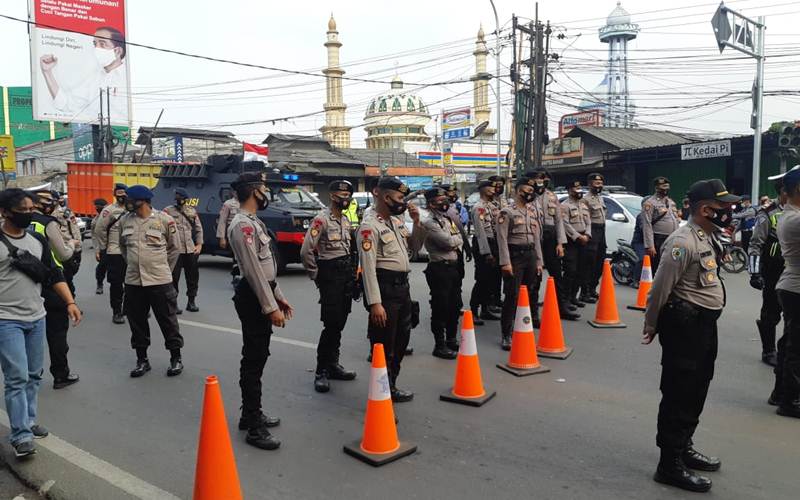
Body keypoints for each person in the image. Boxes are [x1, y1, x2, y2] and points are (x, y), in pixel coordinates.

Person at [642, 179, 740, 493]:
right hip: (684, 326)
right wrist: (651, 324)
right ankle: (668, 463)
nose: (729, 212)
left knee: (698, 388)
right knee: (679, 392)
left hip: (703, 326)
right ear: (705, 209)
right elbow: (660, 288)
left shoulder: (710, 236)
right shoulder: (682, 242)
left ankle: (683, 446)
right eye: (724, 207)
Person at [0, 188, 81, 458]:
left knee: (34, 374)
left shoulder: (36, 239)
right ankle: (20, 435)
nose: (27, 214)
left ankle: (29, 420)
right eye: (21, 211)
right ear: (5, 212)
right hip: (5, 320)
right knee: (17, 377)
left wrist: (70, 302)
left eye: (29, 209)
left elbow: (53, 273)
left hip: (36, 316)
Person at [228, 173, 293, 450]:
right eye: (264, 188)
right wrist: (270, 307)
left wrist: (278, 297)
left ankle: (249, 413)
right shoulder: (242, 224)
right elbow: (253, 271)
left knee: (258, 356)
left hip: (261, 293)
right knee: (254, 360)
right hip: (253, 297)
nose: (267, 192)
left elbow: (265, 270)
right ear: (255, 191)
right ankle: (253, 426)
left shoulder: (254, 222)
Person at [357, 177, 420, 402]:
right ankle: (380, 393)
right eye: (400, 197)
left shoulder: (397, 223)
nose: (403, 202)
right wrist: (375, 303)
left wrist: (417, 222)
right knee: (384, 345)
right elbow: (368, 268)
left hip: (402, 288)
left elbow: (415, 248)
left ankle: (390, 385)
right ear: (385, 197)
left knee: (402, 340)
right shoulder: (369, 226)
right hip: (385, 289)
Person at [118, 186, 184, 378]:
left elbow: (174, 249)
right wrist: (134, 264)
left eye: (130, 199)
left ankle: (175, 357)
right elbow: (124, 248)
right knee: (137, 322)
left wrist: (163, 270)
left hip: (159, 280)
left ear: (143, 200)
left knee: (168, 320)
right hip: (133, 281)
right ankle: (142, 360)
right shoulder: (124, 221)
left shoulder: (164, 220)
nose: (127, 201)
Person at [300, 180, 358, 393]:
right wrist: (316, 275)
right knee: (331, 324)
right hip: (330, 276)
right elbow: (306, 250)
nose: (346, 199)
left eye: (348, 195)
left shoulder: (344, 219)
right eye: (342, 195)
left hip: (344, 276)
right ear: (333, 196)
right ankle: (321, 371)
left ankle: (333, 364)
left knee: (340, 322)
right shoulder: (321, 219)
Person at [30, 190, 80, 390]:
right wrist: (71, 243)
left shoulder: (12, 223)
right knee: (57, 332)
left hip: (26, 284)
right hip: (52, 281)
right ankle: (61, 374)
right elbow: (64, 254)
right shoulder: (47, 223)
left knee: (28, 332)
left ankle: (30, 374)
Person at [39, 27, 128, 120]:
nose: (96, 49)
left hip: (123, 132)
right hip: (96, 131)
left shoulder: (128, 78)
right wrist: (47, 72)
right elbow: (66, 105)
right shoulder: (94, 78)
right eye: (95, 44)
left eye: (102, 44)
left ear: (117, 51)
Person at [497, 177, 544, 350]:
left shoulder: (532, 211)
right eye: (527, 191)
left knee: (528, 293)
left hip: (530, 254)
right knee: (512, 295)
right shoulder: (507, 212)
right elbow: (502, 239)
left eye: (532, 192)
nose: (530, 194)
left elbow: (536, 238)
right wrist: (505, 263)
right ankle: (506, 334)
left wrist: (539, 260)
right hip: (515, 256)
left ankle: (522, 327)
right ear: (518, 191)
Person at [418, 187, 464, 359]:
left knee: (455, 305)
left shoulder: (446, 219)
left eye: (445, 199)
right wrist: (455, 240)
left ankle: (451, 339)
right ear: (431, 204)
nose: (444, 202)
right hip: (439, 268)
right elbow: (447, 242)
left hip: (453, 267)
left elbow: (457, 238)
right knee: (440, 307)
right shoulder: (430, 222)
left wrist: (455, 240)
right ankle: (439, 344)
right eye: (440, 200)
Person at [749, 173, 789, 367]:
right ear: (783, 191)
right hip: (773, 270)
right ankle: (768, 350)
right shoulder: (768, 212)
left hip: (793, 270)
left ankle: (788, 351)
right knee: (771, 312)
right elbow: (756, 244)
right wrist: (755, 273)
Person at [530, 170, 580, 320]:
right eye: (539, 178)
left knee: (557, 274)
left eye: (545, 178)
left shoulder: (552, 196)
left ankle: (562, 307)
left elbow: (559, 220)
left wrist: (560, 243)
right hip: (535, 237)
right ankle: (533, 313)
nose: (542, 181)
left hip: (551, 237)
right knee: (535, 277)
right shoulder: (527, 194)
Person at [771, 167, 800, 419]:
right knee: (796, 348)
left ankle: (780, 393)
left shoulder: (790, 215)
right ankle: (791, 401)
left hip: (791, 287)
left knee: (790, 342)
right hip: (796, 289)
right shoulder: (795, 219)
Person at [164, 188, 204, 314]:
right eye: (177, 199)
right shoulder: (167, 211)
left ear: (186, 199)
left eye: (181, 199)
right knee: (173, 278)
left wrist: (199, 244)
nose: (178, 201)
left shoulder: (191, 211)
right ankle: (173, 304)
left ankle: (191, 302)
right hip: (175, 250)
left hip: (189, 249)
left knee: (192, 277)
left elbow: (198, 229)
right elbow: (163, 229)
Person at [93, 183, 128, 324]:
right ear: (115, 195)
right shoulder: (109, 210)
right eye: (119, 194)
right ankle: (117, 311)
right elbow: (99, 230)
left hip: (131, 251)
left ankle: (130, 307)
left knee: (134, 283)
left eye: (124, 194)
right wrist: (104, 247)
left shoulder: (132, 209)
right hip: (115, 251)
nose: (122, 197)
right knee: (116, 284)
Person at [469, 179, 501, 325]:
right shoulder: (478, 208)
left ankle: (486, 308)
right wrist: (487, 253)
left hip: (494, 243)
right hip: (484, 244)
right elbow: (481, 233)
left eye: (494, 188)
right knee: (482, 279)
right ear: (482, 190)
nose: (493, 190)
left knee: (491, 279)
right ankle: (474, 310)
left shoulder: (494, 206)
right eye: (490, 188)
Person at [561, 180, 592, 309]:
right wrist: (578, 237)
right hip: (571, 242)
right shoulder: (564, 206)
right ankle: (565, 299)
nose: (578, 190)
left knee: (581, 270)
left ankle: (574, 297)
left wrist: (587, 235)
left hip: (584, 239)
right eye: (575, 188)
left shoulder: (583, 205)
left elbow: (588, 222)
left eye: (579, 187)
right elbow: (565, 224)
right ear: (569, 190)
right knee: (570, 271)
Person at [642, 177, 681, 275]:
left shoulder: (671, 202)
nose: (666, 188)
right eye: (663, 186)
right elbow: (647, 225)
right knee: (658, 266)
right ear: (656, 188)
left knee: (674, 263)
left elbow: (676, 219)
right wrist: (650, 245)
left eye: (667, 186)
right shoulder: (650, 203)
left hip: (673, 238)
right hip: (659, 239)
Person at [582, 173, 606, 303]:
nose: (599, 185)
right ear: (590, 184)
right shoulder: (585, 199)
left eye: (601, 183)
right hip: (592, 231)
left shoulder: (600, 198)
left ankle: (592, 289)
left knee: (599, 263)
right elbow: (585, 219)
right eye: (597, 183)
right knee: (589, 264)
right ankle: (584, 292)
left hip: (602, 231)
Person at [216, 192, 241, 286]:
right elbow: (222, 221)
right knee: (237, 257)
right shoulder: (228, 204)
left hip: (245, 234)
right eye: (236, 191)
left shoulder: (246, 202)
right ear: (233, 192)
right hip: (233, 235)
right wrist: (222, 238)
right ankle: (236, 277)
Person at [91, 198, 109, 295]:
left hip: (116, 247)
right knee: (101, 267)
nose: (96, 208)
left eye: (97, 206)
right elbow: (94, 236)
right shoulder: (96, 220)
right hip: (103, 247)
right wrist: (97, 250)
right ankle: (99, 284)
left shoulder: (112, 215)